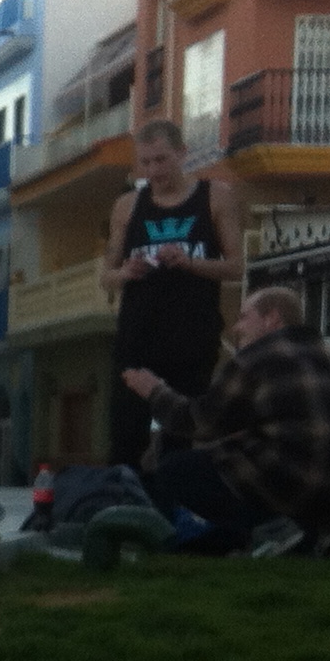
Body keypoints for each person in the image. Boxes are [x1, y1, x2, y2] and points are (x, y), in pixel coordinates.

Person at [122, 285, 330, 552]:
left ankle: (267, 531)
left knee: (177, 469)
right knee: (231, 456)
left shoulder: (257, 357)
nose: (236, 328)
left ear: (272, 318)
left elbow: (198, 423)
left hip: (295, 485)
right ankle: (321, 528)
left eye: (244, 317)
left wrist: (153, 390)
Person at [101, 120, 245, 468]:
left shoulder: (215, 197)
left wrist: (189, 262)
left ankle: (175, 511)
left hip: (192, 338)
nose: (154, 170)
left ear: (182, 153)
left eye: (161, 160)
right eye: (146, 162)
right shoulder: (127, 207)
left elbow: (237, 267)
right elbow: (106, 276)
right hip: (137, 337)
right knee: (125, 437)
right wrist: (127, 272)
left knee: (180, 438)